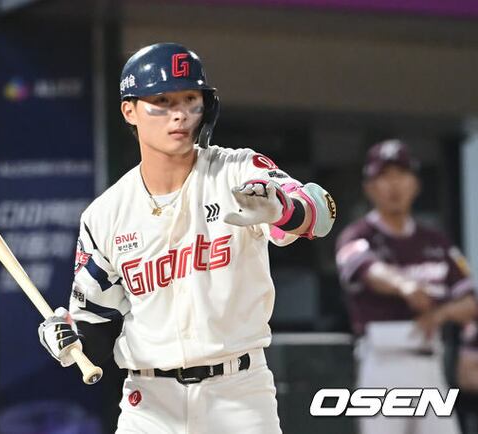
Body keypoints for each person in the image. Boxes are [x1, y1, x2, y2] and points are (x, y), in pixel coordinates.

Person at [38, 42, 336, 434]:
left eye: (190, 99)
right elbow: (96, 326)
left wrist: (284, 210)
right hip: (150, 404)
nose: (179, 114)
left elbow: (321, 211)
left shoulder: (237, 170)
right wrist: (67, 335)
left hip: (239, 394)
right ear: (129, 111)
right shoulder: (104, 214)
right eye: (161, 101)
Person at [335, 139, 478, 434]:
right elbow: (365, 269)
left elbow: (470, 301)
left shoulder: (436, 242)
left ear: (415, 183)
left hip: (429, 361)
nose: (394, 185)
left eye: (401, 174)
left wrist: (440, 314)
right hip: (382, 362)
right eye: (384, 176)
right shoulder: (358, 235)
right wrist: (404, 285)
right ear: (369, 187)